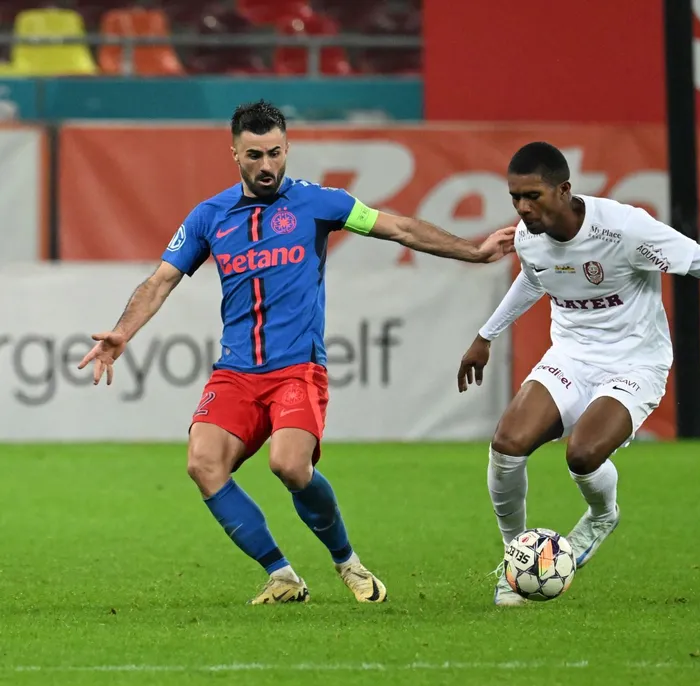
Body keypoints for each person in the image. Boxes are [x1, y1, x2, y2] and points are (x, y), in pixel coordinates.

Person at [78, 100, 515, 605]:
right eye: (254, 155)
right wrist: (123, 331)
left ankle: (347, 562)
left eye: (275, 153)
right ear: (235, 155)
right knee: (203, 463)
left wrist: (474, 251)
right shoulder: (208, 217)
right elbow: (160, 281)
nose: (266, 165)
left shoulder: (320, 203)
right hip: (235, 373)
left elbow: (399, 228)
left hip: (296, 370)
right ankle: (282, 575)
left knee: (289, 465)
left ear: (287, 148)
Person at [457, 141, 700, 606]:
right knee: (507, 445)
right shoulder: (529, 237)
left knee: (582, 455)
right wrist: (485, 335)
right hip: (570, 358)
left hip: (635, 363)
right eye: (515, 198)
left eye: (532, 196)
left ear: (564, 190)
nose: (523, 208)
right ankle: (516, 562)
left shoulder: (625, 230)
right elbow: (535, 276)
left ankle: (602, 515)